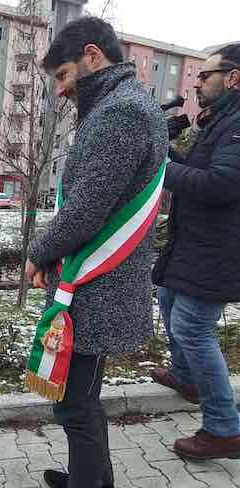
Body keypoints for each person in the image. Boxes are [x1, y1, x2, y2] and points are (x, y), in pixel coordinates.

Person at [24, 18, 168, 488]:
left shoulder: (119, 113)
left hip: (96, 288)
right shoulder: (123, 104)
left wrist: (38, 251)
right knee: (82, 400)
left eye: (63, 76)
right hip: (100, 283)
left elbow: (86, 209)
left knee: (76, 404)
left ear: (92, 56)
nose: (61, 90)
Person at [150, 44, 240, 460]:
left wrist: (160, 169)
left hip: (218, 248)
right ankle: (187, 377)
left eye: (205, 75)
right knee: (168, 297)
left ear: (234, 78)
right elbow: (201, 170)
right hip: (197, 243)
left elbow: (221, 183)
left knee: (193, 329)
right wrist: (163, 151)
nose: (197, 82)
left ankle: (223, 428)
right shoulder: (223, 122)